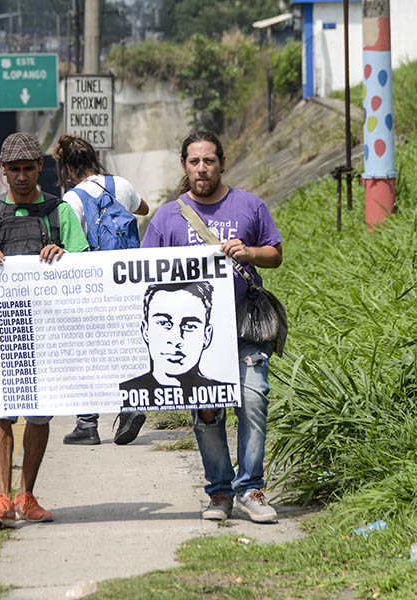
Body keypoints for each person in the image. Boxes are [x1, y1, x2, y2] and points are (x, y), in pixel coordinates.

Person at [142, 131, 283, 523]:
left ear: (221, 163)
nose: (201, 168)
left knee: (253, 399)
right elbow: (143, 274)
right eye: (194, 162)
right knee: (207, 411)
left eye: (208, 161)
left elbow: (275, 254)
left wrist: (250, 252)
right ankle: (219, 492)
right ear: (184, 166)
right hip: (194, 335)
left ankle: (251, 489)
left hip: (243, 325)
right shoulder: (168, 217)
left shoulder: (250, 206)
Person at [0, 132, 89, 527]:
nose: (20, 177)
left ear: (40, 169)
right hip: (0, 332)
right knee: (0, 414)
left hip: (47, 334)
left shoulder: (58, 211)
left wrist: (62, 255)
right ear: (3, 172)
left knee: (39, 417)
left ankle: (26, 496)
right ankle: (1, 499)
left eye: (28, 169)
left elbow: (85, 269)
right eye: (13, 170)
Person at [52, 134, 150, 446]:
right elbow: (144, 209)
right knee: (124, 348)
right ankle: (131, 406)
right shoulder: (121, 184)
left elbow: (70, 247)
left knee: (87, 355)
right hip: (128, 281)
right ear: (94, 159)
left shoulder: (72, 199)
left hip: (93, 287)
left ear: (68, 168)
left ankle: (87, 424)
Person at [119, 281, 236, 411]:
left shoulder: (227, 390)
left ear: (206, 335)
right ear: (145, 330)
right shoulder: (122, 391)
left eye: (189, 326)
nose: (176, 339)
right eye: (163, 323)